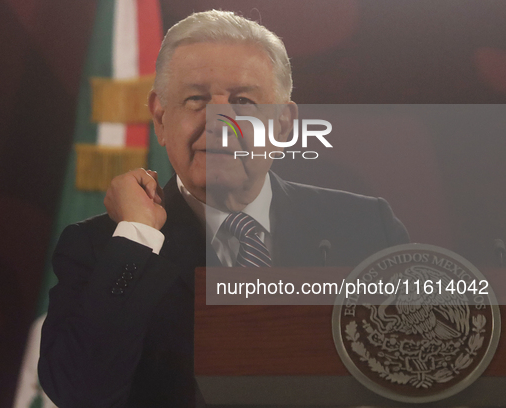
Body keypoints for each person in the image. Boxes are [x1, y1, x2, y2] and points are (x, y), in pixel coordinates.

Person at [38, 10, 409, 408]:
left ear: (283, 125)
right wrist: (139, 236)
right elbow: (79, 394)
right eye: (196, 99)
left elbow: (431, 372)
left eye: (243, 101)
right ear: (161, 118)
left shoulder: (368, 228)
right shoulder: (100, 250)